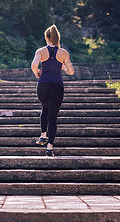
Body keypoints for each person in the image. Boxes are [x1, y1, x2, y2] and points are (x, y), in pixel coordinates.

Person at [31, 24, 74, 156]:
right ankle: (50, 147)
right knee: (53, 116)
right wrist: (64, 68)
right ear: (57, 37)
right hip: (57, 85)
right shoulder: (63, 53)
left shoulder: (40, 51)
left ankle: (43, 134)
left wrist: (37, 73)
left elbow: (34, 65)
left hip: (43, 84)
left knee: (45, 108)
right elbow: (71, 72)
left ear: (46, 37)